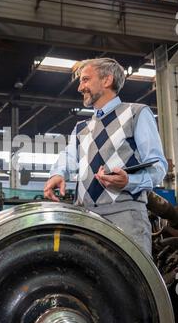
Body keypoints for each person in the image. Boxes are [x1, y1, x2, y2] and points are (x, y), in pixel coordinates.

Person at [44, 57, 167, 255]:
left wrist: (129, 181)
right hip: (86, 220)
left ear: (107, 80)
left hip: (125, 216)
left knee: (131, 282)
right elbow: (68, 156)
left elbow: (158, 167)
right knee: (88, 283)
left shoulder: (136, 114)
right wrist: (57, 174)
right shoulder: (81, 127)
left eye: (85, 80)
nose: (80, 87)